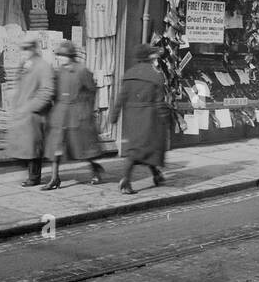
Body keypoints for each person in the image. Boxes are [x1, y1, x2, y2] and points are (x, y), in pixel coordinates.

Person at [40, 40, 105, 189]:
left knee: (81, 147)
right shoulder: (59, 72)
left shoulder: (82, 71)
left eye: (63, 56)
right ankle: (55, 178)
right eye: (59, 56)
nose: (61, 58)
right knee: (55, 146)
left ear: (71, 56)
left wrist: (86, 109)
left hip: (77, 114)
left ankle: (95, 168)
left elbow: (91, 91)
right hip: (60, 113)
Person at [109, 44, 169, 193]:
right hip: (149, 117)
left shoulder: (129, 74)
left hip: (132, 116)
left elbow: (121, 97)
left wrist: (114, 115)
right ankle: (125, 180)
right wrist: (165, 118)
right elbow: (160, 102)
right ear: (150, 58)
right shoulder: (156, 76)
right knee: (144, 148)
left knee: (140, 147)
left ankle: (156, 174)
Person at [6, 32, 55, 187]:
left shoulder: (43, 66)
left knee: (33, 147)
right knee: (25, 146)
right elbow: (19, 85)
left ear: (34, 48)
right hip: (22, 112)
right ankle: (31, 174)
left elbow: (47, 91)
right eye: (23, 49)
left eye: (27, 48)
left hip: (34, 114)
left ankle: (34, 177)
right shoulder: (24, 65)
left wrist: (32, 107)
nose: (24, 52)